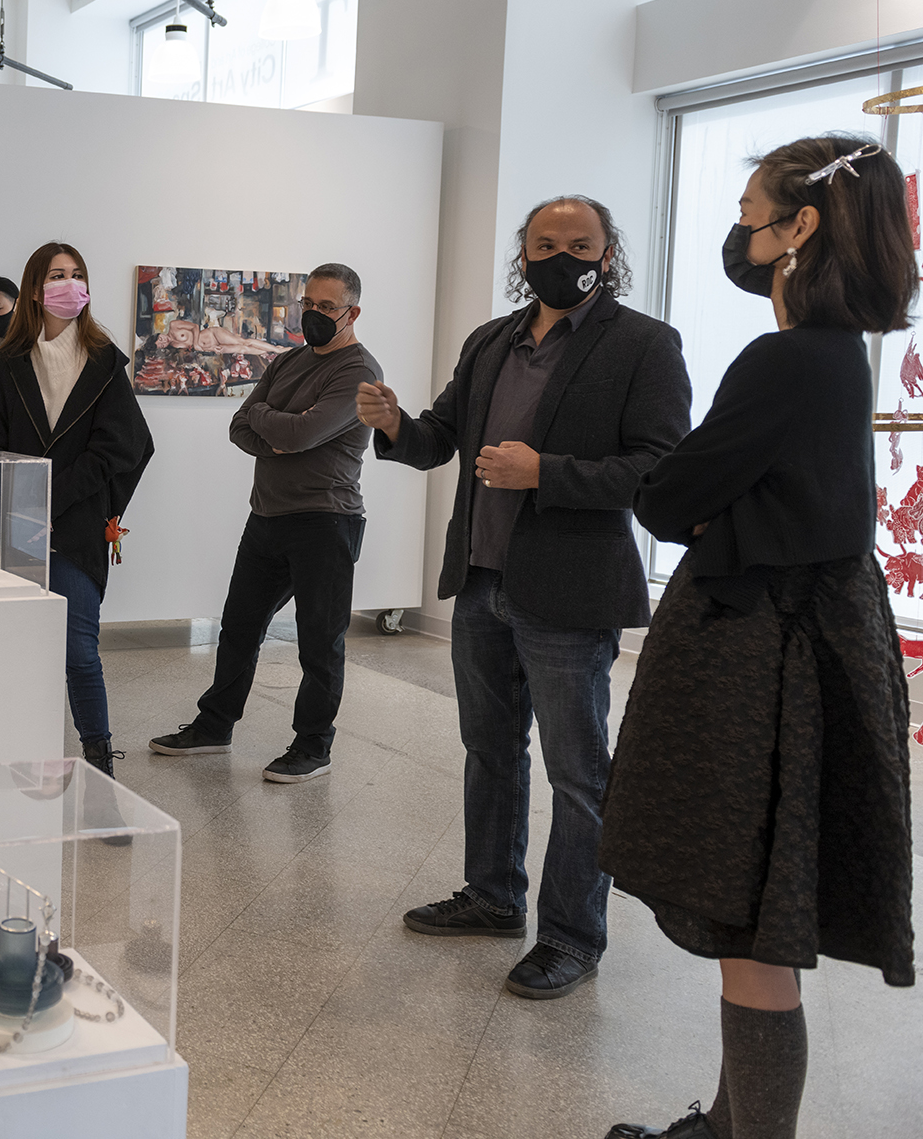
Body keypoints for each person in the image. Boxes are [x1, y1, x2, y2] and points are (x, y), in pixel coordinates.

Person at [600, 138, 916, 1139]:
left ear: (800, 226)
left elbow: (670, 492)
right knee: (757, 921)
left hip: (760, 667)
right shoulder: (830, 354)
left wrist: (698, 508)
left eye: (748, 211)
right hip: (800, 646)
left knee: (750, 931)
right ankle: (725, 1124)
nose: (738, 232)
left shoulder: (786, 358)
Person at [356, 196, 691, 1000]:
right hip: (481, 580)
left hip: (571, 593)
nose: (561, 254)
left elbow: (661, 466)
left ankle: (573, 934)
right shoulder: (490, 341)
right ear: (522, 252)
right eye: (545, 242)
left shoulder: (644, 344)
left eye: (579, 243)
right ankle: (493, 895)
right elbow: (443, 436)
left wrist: (548, 472)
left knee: (579, 774)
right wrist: (396, 423)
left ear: (607, 254)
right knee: (491, 750)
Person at [147, 264, 382, 783]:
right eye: (309, 304)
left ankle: (313, 746)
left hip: (327, 521)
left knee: (320, 643)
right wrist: (280, 429)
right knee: (238, 628)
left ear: (352, 312)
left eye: (327, 307)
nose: (314, 315)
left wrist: (278, 428)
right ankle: (214, 727)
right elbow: (239, 422)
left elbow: (300, 435)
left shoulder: (359, 371)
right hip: (267, 516)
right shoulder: (289, 362)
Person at [0, 243, 154, 778]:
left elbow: (124, 447)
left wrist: (54, 495)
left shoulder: (103, 361)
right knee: (17, 650)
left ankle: (98, 758)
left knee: (79, 649)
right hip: (14, 530)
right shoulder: (7, 363)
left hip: (75, 529)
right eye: (56, 275)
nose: (68, 285)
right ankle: (16, 758)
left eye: (77, 275)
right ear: (34, 288)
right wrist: (19, 499)